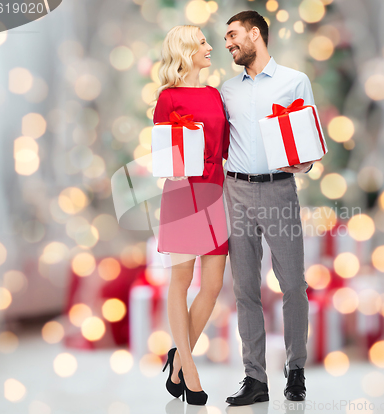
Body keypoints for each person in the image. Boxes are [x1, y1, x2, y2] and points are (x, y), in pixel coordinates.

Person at [221, 11, 320, 405]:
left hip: (280, 191)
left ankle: (295, 371)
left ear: (256, 34)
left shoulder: (295, 81)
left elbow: (307, 141)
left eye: (233, 35)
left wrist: (304, 163)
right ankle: (254, 378)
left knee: (293, 283)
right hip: (236, 192)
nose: (228, 43)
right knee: (245, 288)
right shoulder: (226, 89)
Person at [153, 25, 230, 406]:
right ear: (185, 49)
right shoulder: (167, 98)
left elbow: (226, 149)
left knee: (213, 284)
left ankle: (177, 360)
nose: (210, 46)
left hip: (216, 195)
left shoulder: (216, 95)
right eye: (202, 42)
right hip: (183, 195)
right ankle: (190, 368)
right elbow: (164, 155)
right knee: (181, 282)